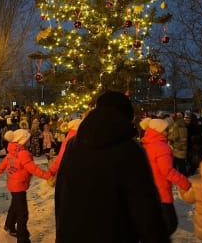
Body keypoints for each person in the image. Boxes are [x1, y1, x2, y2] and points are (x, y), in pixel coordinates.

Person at [55, 90, 170, 243]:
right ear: (125, 117)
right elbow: (146, 210)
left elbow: (61, 193)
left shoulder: (73, 145)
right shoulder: (130, 150)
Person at [0, 129, 52, 243]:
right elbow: (32, 168)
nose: (29, 141)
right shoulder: (23, 154)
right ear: (23, 141)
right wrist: (47, 176)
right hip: (19, 185)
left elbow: (4, 163)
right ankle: (23, 239)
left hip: (13, 184)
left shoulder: (12, 151)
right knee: (22, 213)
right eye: (28, 139)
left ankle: (9, 225)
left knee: (15, 205)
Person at [140, 117, 191, 236]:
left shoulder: (147, 144)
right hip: (162, 190)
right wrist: (185, 182)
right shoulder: (162, 147)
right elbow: (167, 171)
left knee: (158, 223)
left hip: (151, 189)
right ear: (159, 131)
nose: (168, 132)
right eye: (166, 130)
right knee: (170, 223)